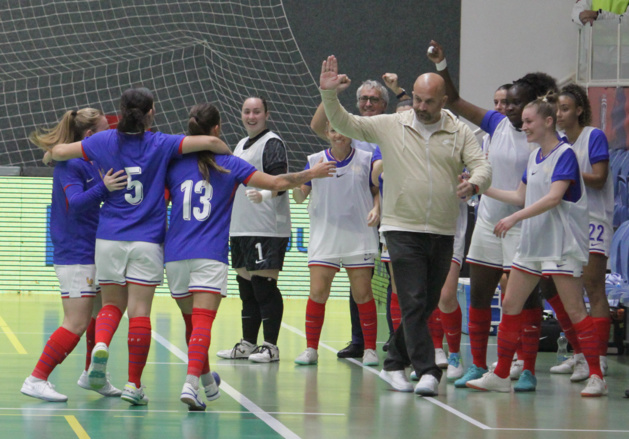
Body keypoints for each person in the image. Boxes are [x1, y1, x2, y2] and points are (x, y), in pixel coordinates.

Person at [319, 55, 491, 396]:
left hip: (442, 229)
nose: (422, 106)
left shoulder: (459, 131)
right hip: (400, 227)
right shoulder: (390, 125)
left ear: (443, 101)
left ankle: (394, 359)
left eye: (429, 101)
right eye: (417, 99)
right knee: (411, 298)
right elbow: (346, 122)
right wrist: (328, 96)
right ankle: (427, 370)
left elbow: (482, 166)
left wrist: (474, 184)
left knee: (427, 301)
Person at [50, 87, 232, 405]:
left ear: (119, 113)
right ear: (151, 112)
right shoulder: (162, 143)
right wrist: (223, 153)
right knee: (139, 312)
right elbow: (212, 143)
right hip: (147, 240)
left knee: (110, 306)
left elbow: (60, 153)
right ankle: (133, 384)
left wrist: (58, 150)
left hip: (108, 238)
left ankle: (100, 348)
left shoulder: (101, 142)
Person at [165, 103, 336, 410]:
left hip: (174, 253)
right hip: (208, 252)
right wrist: (313, 173)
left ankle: (206, 381)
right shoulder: (230, 162)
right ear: (217, 130)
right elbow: (279, 182)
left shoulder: (174, 163)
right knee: (203, 325)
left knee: (192, 324)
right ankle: (191, 383)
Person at [428, 40, 558, 391]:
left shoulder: (540, 137)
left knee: (525, 299)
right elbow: (453, 101)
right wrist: (442, 64)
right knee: (482, 293)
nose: (510, 109)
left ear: (533, 105)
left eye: (517, 103)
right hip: (488, 221)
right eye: (509, 103)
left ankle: (526, 368)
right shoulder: (496, 124)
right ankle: (479, 366)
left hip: (524, 224)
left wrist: (479, 187)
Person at [466, 93, 608, 397]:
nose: (524, 126)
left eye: (529, 121)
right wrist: (481, 188)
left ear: (547, 121)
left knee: (574, 310)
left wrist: (515, 217)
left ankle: (596, 375)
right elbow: (520, 196)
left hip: (562, 245)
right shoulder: (533, 157)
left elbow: (554, 197)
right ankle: (502, 374)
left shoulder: (565, 154)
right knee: (510, 304)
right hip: (533, 244)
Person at [20, 109, 126, 402]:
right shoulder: (70, 165)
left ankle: (93, 374)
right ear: (90, 136)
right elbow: (77, 203)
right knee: (76, 322)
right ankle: (36, 377)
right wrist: (103, 188)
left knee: (102, 312)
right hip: (75, 252)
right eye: (105, 131)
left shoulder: (91, 161)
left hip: (92, 249)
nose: (110, 135)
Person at [310, 78, 389, 360]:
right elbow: (319, 126)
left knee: (392, 282)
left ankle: (395, 341)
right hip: (357, 216)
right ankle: (360, 341)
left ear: (384, 105)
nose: (368, 104)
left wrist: (379, 204)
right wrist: (329, 95)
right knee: (359, 284)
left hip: (390, 210)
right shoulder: (349, 126)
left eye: (374, 100)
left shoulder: (390, 128)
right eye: (364, 99)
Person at [292, 123, 380, 366]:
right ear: (327, 133)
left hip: (359, 233)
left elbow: (377, 190)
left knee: (362, 293)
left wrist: (377, 207)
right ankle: (311, 349)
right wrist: (303, 178)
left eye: (342, 129)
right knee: (318, 292)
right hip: (325, 234)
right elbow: (299, 197)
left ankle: (370, 349)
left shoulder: (367, 158)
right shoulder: (315, 160)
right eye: (332, 130)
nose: (338, 134)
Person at [216, 97, 291, 363]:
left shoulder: (272, 143)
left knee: (264, 286)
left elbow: (282, 182)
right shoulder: (239, 145)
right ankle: (248, 343)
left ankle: (270, 346)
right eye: (246, 111)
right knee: (246, 287)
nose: (251, 116)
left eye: (256, 111)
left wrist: (264, 195)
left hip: (266, 227)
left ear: (266, 114)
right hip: (241, 226)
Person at [546, 84, 613, 381]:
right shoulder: (558, 142)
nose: (559, 114)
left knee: (593, 288)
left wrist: (567, 170)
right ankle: (579, 355)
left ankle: (598, 357)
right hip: (566, 222)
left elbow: (599, 179)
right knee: (569, 291)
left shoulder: (593, 137)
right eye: (557, 109)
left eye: (565, 109)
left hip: (594, 219)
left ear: (579, 110)